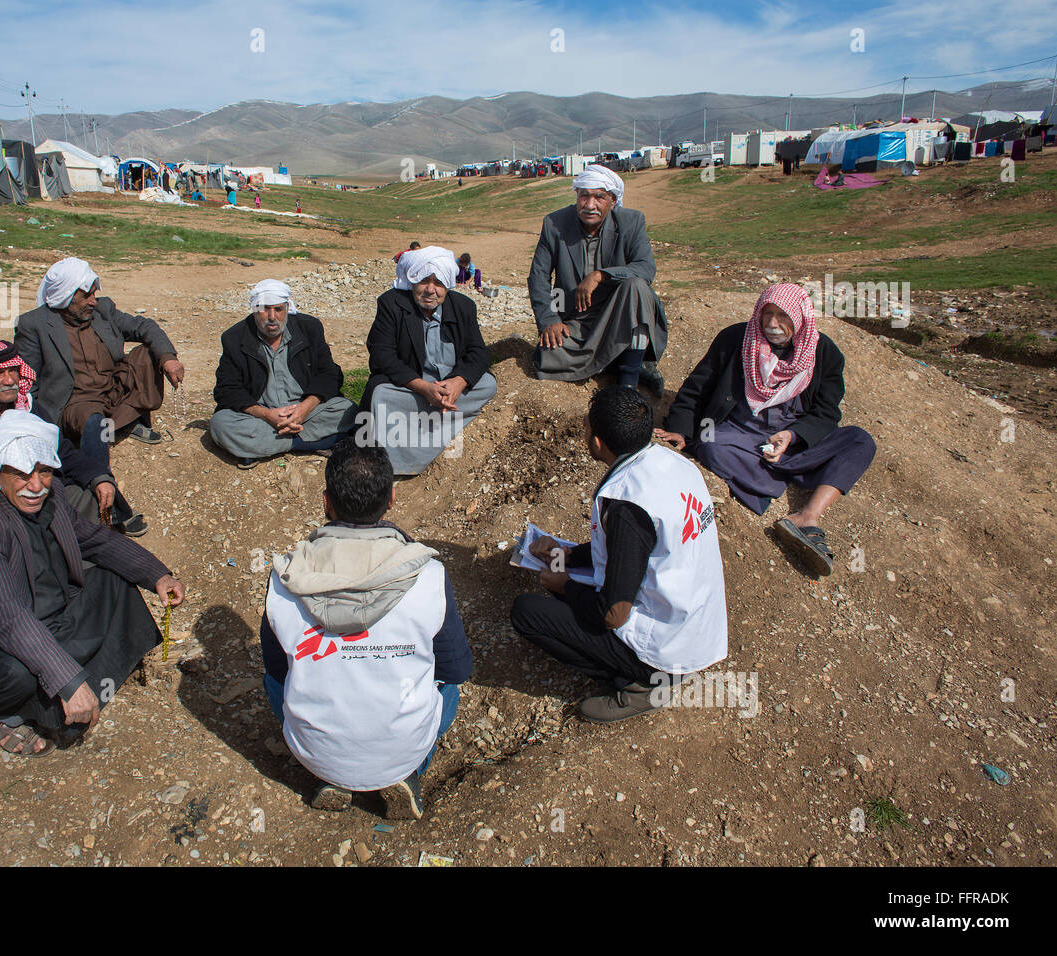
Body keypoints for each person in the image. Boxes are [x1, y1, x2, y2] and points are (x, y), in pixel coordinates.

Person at [0, 411, 184, 756]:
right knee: (16, 671)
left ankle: (75, 686)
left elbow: (95, 540)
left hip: (46, 616)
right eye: (22, 474)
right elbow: (6, 617)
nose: (36, 485)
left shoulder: (51, 500)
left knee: (113, 580)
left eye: (45, 472)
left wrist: (156, 575)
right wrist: (68, 682)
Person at [260, 438, 471, 818]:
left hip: (316, 753)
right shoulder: (427, 576)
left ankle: (331, 775)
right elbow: (456, 669)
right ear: (391, 499)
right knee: (450, 690)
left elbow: (277, 671)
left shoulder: (284, 580)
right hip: (403, 747)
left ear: (326, 502)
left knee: (273, 682)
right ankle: (407, 773)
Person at [511, 386, 727, 721]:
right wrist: (566, 555)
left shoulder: (627, 505)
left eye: (587, 428)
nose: (584, 432)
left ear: (598, 443)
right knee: (571, 590)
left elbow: (613, 614)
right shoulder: (674, 464)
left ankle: (643, 684)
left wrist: (564, 585)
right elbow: (630, 551)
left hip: (664, 648)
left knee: (527, 612)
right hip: (697, 623)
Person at [655, 283, 876, 576]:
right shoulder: (736, 339)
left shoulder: (824, 354)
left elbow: (826, 413)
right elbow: (697, 388)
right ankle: (783, 477)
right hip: (740, 434)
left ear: (799, 317)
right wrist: (680, 430)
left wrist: (792, 435)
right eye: (767, 314)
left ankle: (808, 515)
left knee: (860, 440)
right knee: (709, 445)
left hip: (793, 443)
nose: (772, 323)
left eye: (782, 316)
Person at [15, 257, 185, 535]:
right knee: (93, 421)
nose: (93, 300)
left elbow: (145, 326)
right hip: (76, 402)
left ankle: (131, 421)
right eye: (86, 295)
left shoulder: (103, 310)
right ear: (66, 295)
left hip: (112, 388)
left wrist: (168, 358)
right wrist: (39, 428)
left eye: (94, 293)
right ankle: (113, 506)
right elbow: (27, 383)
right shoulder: (35, 325)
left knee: (146, 354)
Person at [0, 340, 120, 529]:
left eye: (13, 371)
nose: (10, 381)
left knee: (92, 496)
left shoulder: (27, 407)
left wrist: (98, 477)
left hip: (36, 490)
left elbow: (61, 450)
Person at [528, 164, 667, 391]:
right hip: (576, 321)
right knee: (547, 354)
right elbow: (538, 276)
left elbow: (645, 268)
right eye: (584, 196)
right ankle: (619, 359)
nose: (590, 205)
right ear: (577, 196)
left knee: (637, 287)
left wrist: (600, 276)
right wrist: (549, 320)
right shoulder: (555, 223)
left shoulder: (631, 222)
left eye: (599, 197)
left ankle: (628, 382)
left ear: (612, 201)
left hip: (619, 317)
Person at [363, 246, 497, 476]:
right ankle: (403, 461)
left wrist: (458, 382)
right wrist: (424, 388)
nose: (430, 290)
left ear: (448, 285)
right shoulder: (391, 303)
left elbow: (478, 352)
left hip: (449, 387)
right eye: (424, 281)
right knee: (382, 395)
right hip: (413, 388)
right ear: (412, 280)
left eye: (439, 283)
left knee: (488, 384)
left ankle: (424, 426)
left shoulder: (464, 307)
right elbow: (381, 355)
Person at [210, 279, 358, 468]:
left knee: (348, 409)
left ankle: (259, 447)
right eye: (265, 310)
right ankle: (314, 442)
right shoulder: (235, 337)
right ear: (254, 310)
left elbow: (330, 373)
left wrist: (305, 408)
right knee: (221, 423)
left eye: (278, 309)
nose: (272, 317)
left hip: (305, 411)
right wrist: (266, 415)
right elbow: (226, 389)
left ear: (287, 308)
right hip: (261, 416)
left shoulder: (309, 328)